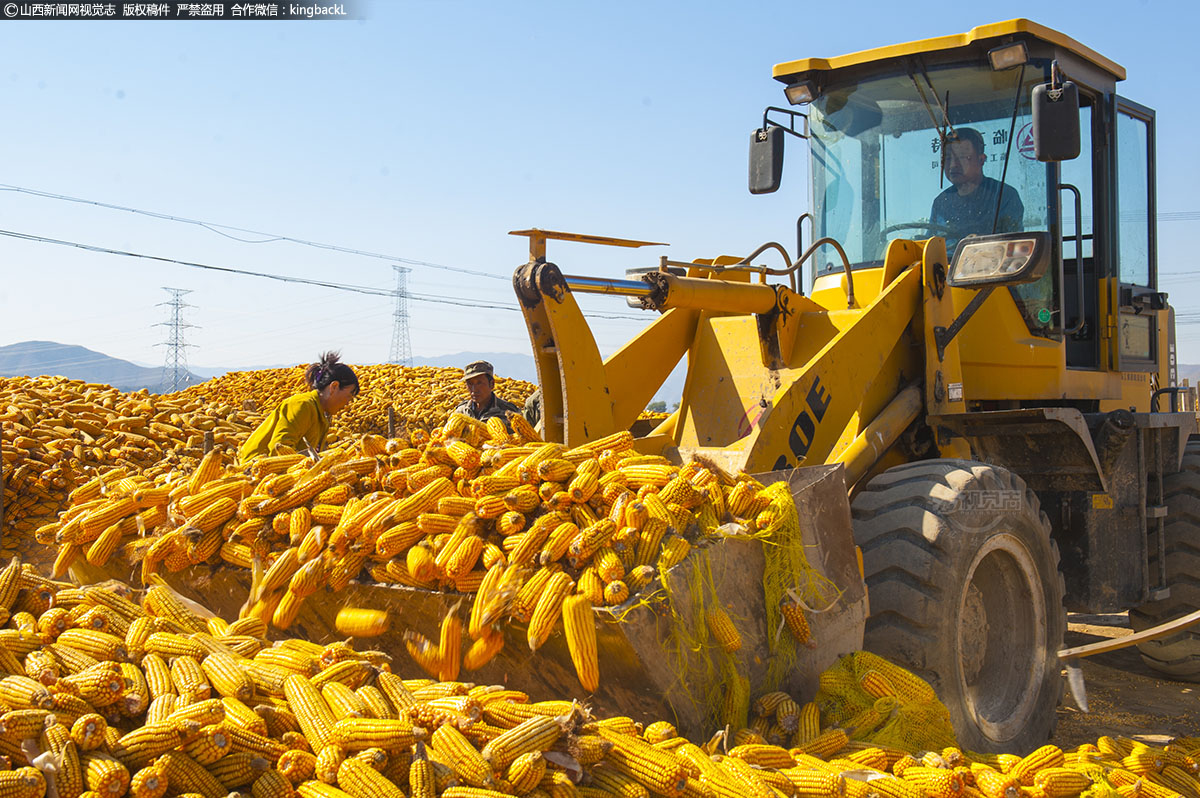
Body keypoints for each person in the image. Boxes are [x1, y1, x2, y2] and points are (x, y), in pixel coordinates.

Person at [239, 351, 359, 463]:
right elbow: (279, 449)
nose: (348, 402)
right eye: (349, 396)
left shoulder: (323, 414)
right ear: (334, 386)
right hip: (255, 468)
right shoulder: (303, 405)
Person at [930, 127, 1024, 257]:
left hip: (991, 272)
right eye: (948, 159)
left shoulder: (1004, 196)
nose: (952, 165)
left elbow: (1013, 249)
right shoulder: (941, 203)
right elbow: (931, 246)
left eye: (962, 157)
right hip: (945, 274)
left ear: (981, 160)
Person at [454, 360, 520, 424]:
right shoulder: (461, 412)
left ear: (491, 384)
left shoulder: (509, 413)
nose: (474, 389)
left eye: (479, 383)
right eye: (470, 384)